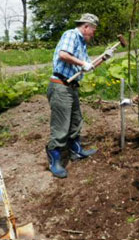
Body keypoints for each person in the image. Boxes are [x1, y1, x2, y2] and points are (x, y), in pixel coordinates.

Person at [46, 13, 105, 178]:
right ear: (86, 27)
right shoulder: (71, 35)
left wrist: (104, 58)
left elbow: (89, 66)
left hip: (71, 87)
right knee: (61, 126)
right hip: (60, 86)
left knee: (75, 121)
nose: (93, 34)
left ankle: (76, 151)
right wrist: (82, 63)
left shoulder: (82, 44)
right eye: (93, 30)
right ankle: (55, 160)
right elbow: (63, 55)